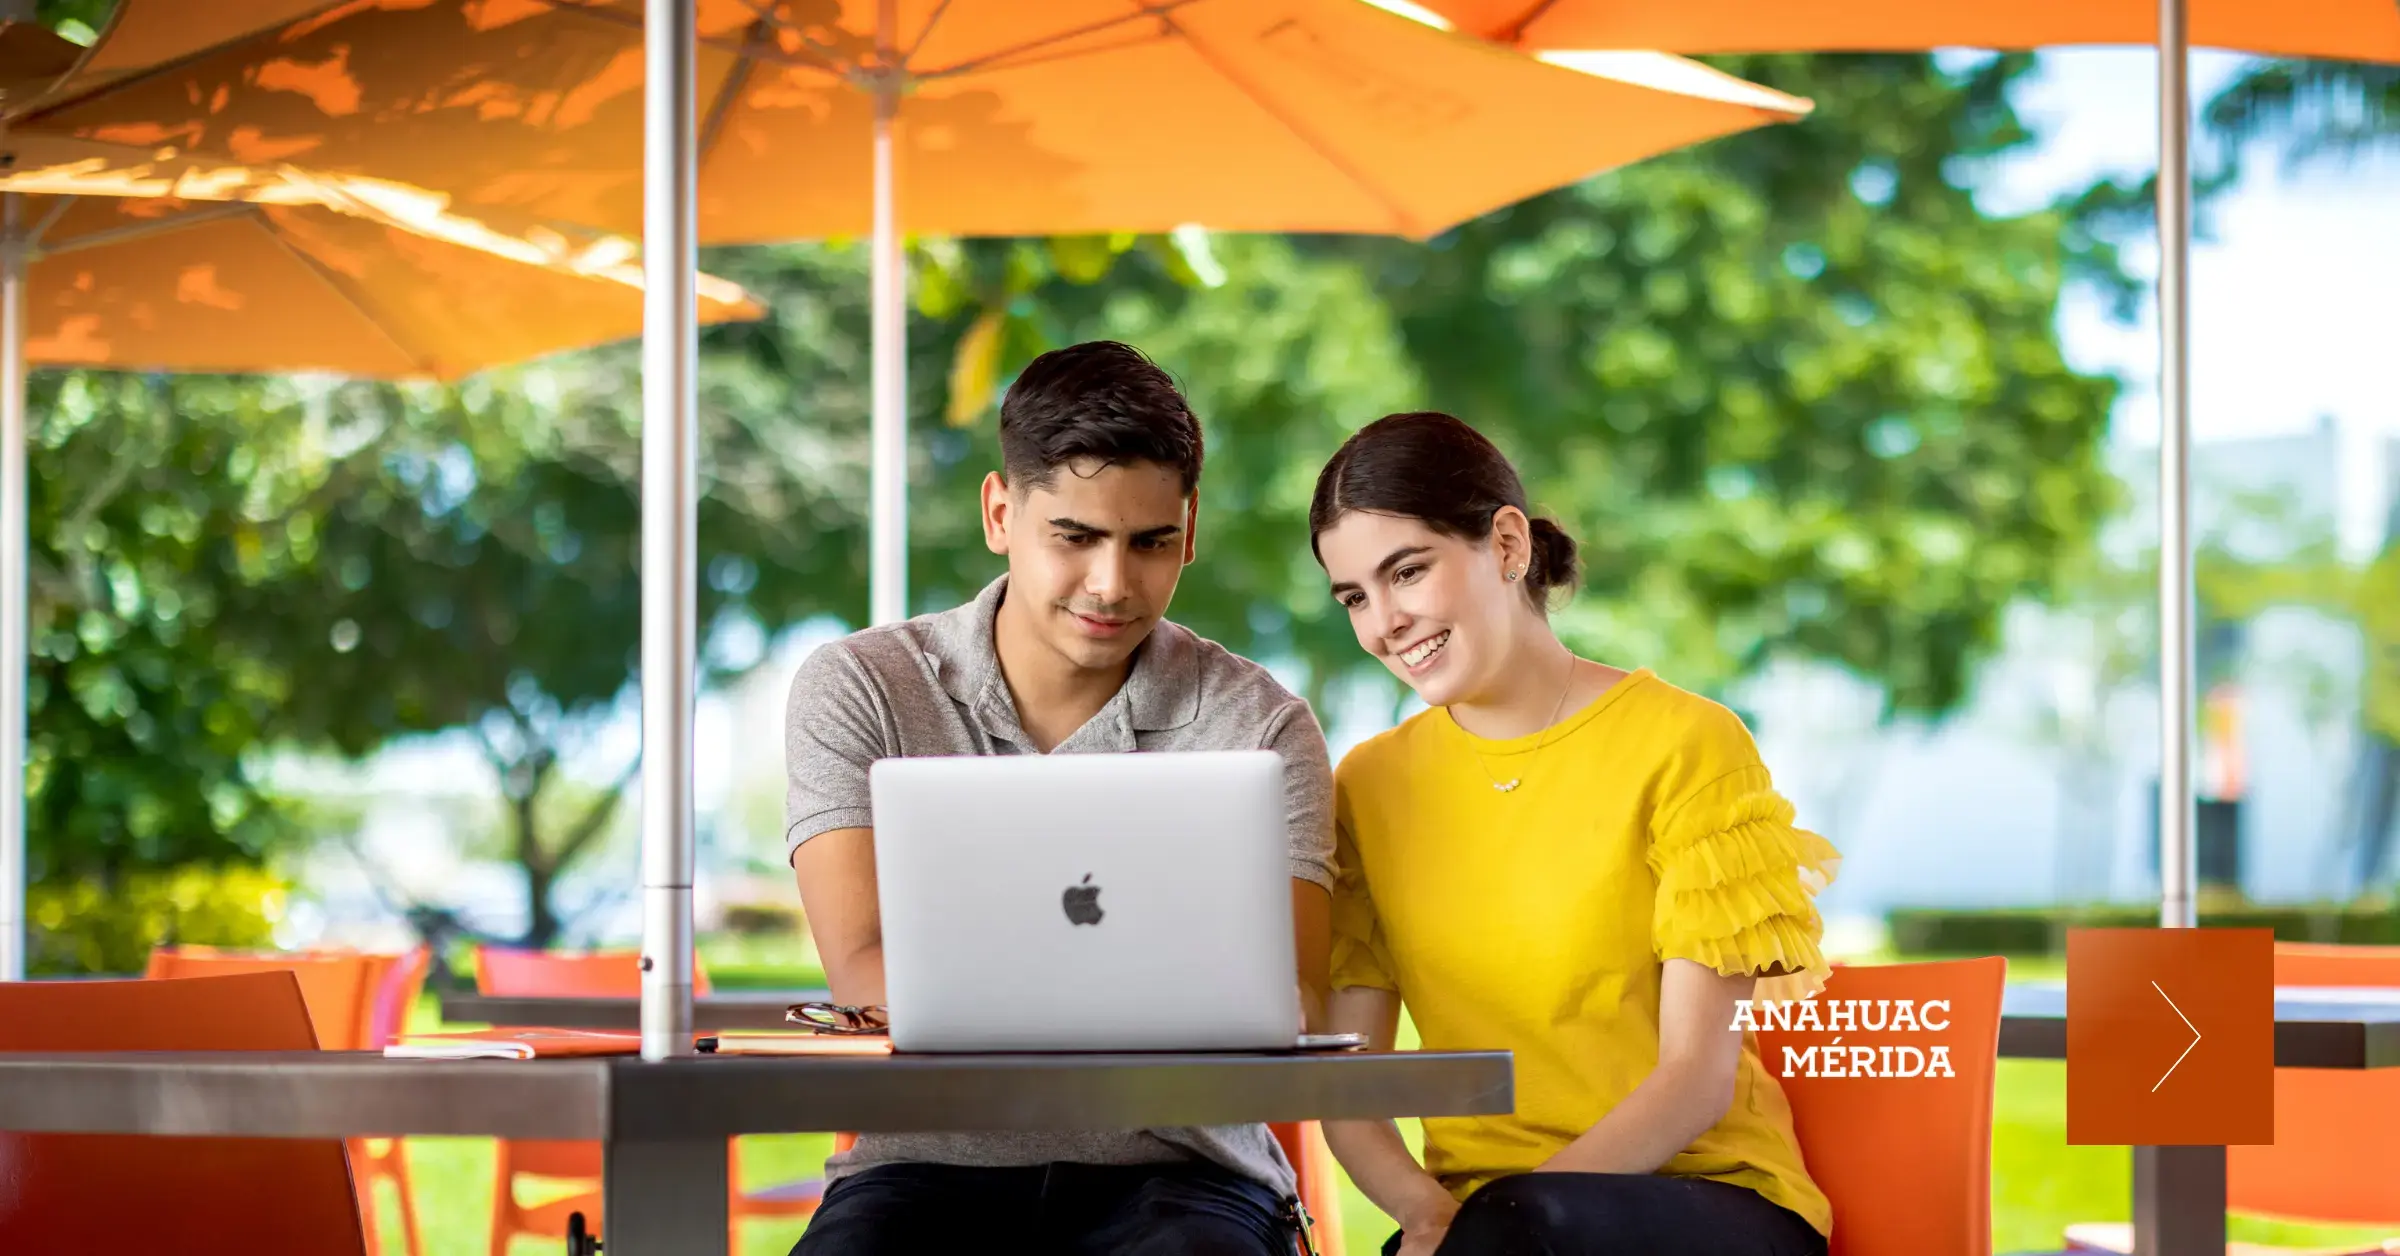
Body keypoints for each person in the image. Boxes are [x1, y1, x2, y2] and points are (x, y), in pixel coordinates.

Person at [783, 340, 1334, 1256]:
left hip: (1190, 1179)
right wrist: (1159, 998)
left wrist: (991, 989)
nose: (1113, 585)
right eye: (1075, 538)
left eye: (1151, 542)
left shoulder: (1262, 726)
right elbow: (867, 979)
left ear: (1190, 531)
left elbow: (1291, 1001)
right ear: (1002, 512)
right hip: (922, 1170)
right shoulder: (862, 686)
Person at [1308, 411, 1840, 1256]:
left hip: (1705, 1201)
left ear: (1508, 546)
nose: (1384, 623)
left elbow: (1694, 1082)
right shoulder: (1366, 788)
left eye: (1406, 572)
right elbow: (1351, 1084)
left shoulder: (1686, 744)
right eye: (1354, 598)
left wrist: (1503, 1215)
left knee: (1529, 1229)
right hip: (1480, 1228)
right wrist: (1426, 1212)